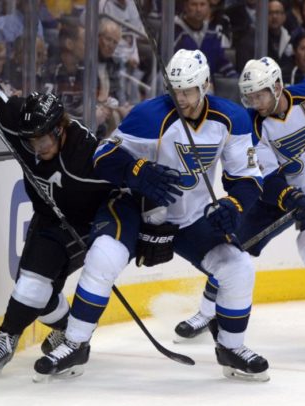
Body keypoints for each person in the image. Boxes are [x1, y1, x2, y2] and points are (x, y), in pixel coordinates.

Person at [33, 49, 269, 382]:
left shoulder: (232, 119)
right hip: (135, 208)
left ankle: (231, 348)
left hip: (190, 216)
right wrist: (135, 170)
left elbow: (246, 176)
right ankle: (75, 343)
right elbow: (103, 155)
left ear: (206, 86)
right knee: (103, 256)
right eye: (175, 90)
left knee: (237, 267)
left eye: (188, 90)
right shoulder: (149, 116)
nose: (181, 98)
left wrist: (235, 206)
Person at [174, 56, 305, 363]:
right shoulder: (253, 124)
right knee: (233, 246)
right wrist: (287, 196)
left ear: (277, 86)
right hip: (282, 195)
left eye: (260, 94)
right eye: (249, 96)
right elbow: (268, 176)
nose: (255, 102)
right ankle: (208, 313)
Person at [0, 76, 116, 382]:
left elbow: (122, 185)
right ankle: (68, 327)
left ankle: (7, 337)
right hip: (47, 217)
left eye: (42, 140)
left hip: (82, 225)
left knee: (32, 285)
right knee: (37, 296)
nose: (36, 147)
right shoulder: (25, 121)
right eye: (30, 141)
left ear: (59, 130)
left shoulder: (85, 154)